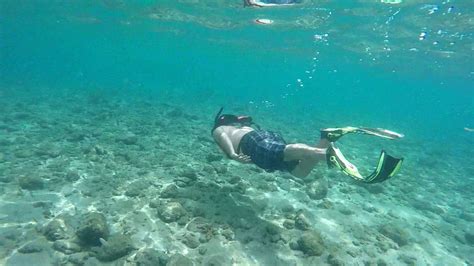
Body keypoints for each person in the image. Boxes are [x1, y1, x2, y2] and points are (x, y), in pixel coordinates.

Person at [211, 108, 404, 183]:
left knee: (286, 152)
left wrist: (232, 155)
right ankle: (327, 138)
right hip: (260, 138)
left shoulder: (220, 129)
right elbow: (245, 122)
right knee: (299, 172)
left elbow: (224, 139)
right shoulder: (240, 126)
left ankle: (329, 156)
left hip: (250, 144)